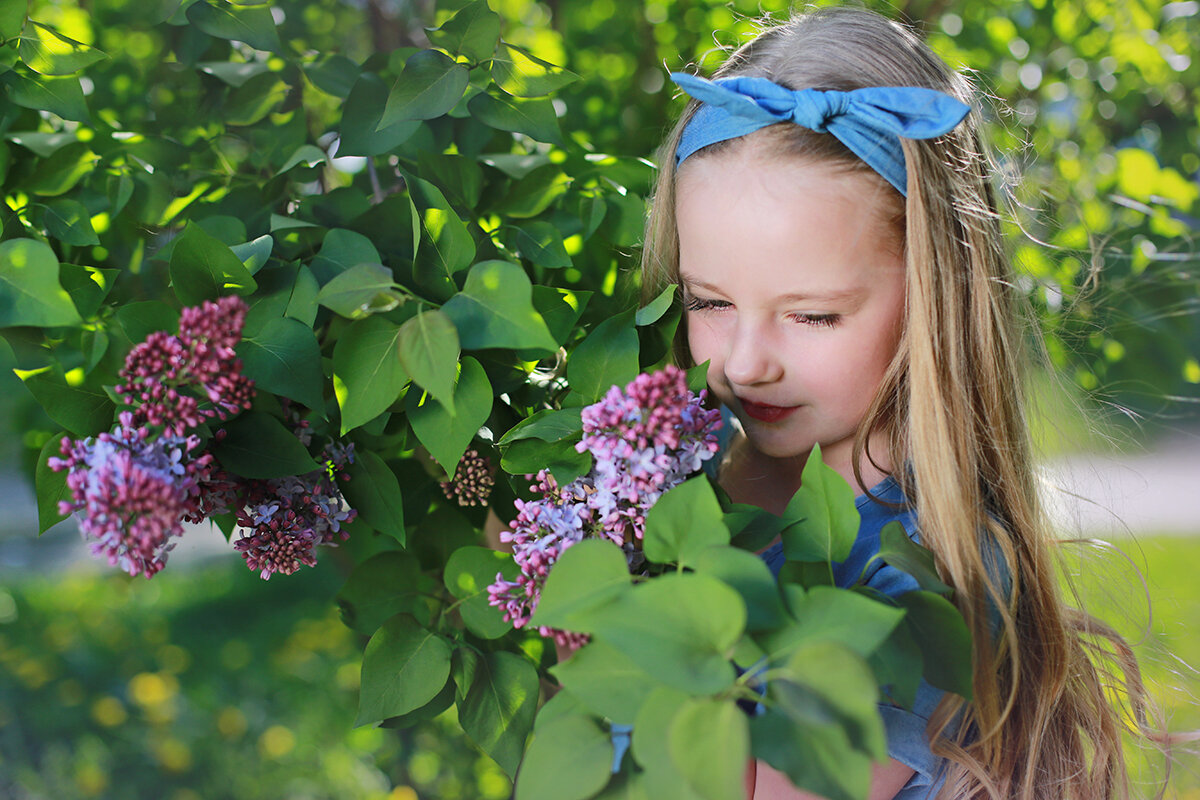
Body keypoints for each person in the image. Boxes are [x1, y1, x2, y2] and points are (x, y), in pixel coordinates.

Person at [639, 6, 1162, 799]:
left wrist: (601, 621)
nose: (745, 363)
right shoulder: (684, 484)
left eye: (812, 315)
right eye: (709, 302)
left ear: (931, 299)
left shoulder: (914, 582)